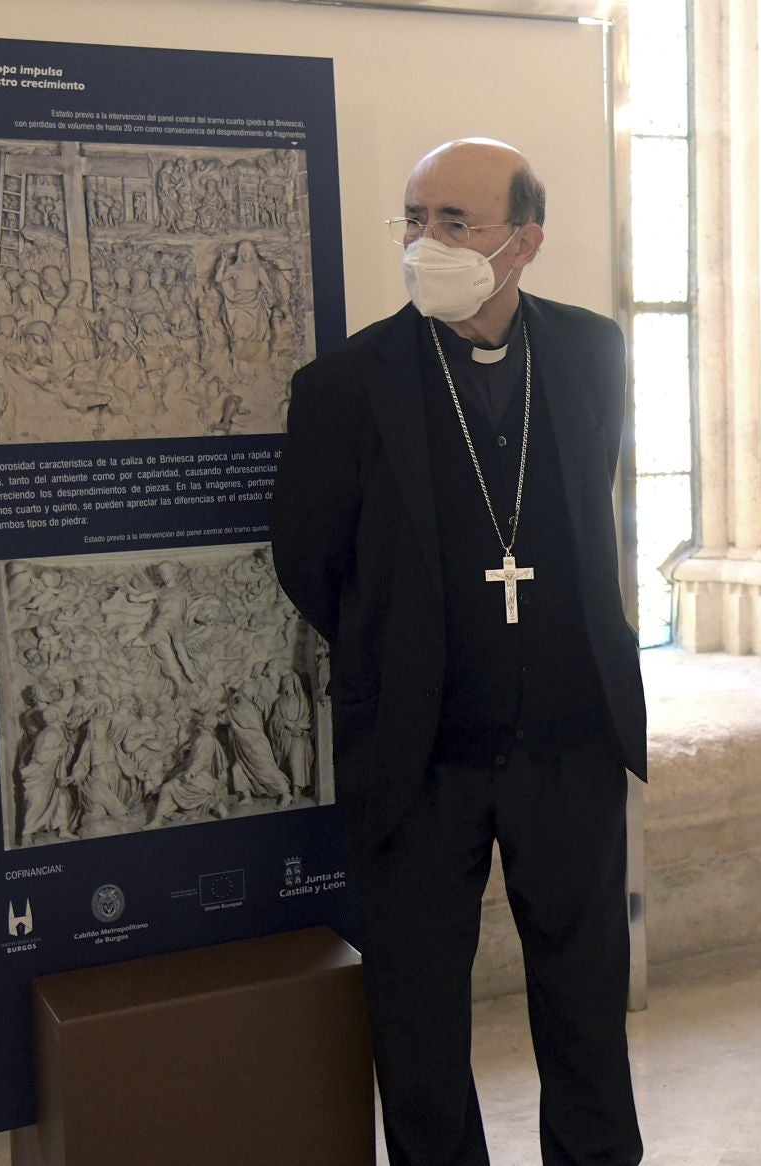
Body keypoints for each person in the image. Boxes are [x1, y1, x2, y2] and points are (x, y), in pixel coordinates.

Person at [272, 138, 646, 1165]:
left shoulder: (590, 351)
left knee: (585, 998)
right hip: (418, 751)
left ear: (524, 240)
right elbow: (308, 559)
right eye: (414, 217)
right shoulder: (345, 382)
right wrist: (401, 649)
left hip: (571, 743)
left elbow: (585, 510)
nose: (424, 241)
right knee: (419, 1012)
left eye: (455, 222)